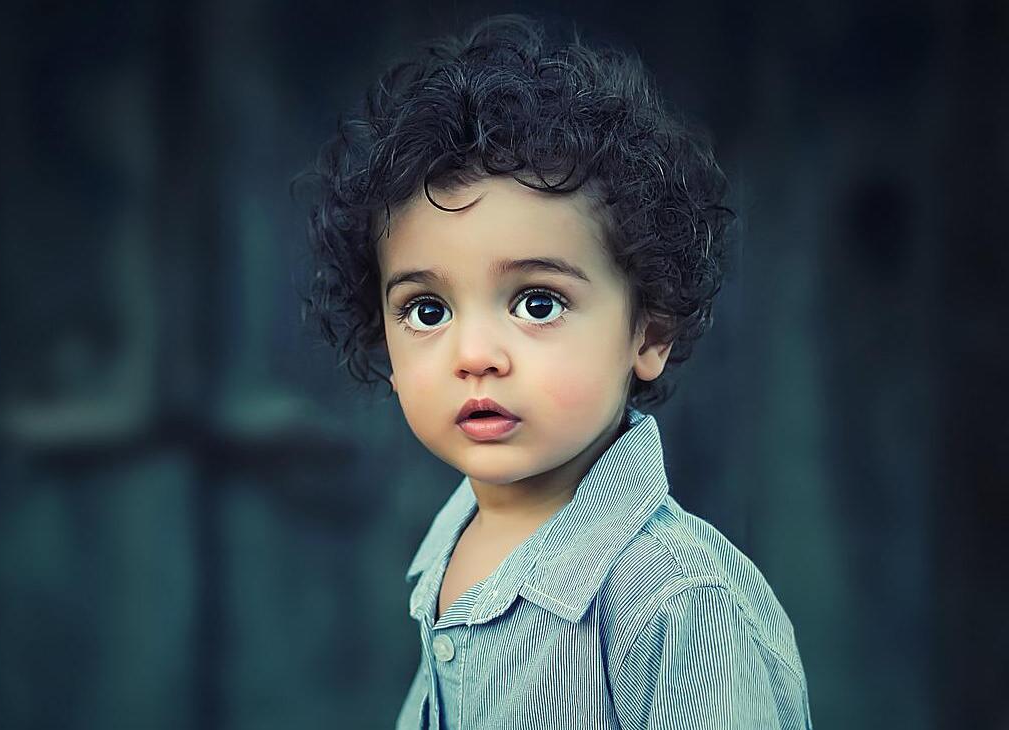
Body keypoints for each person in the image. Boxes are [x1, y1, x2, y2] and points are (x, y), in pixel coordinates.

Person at [296, 13, 812, 729]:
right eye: (427, 310)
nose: (474, 355)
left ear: (649, 332)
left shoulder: (679, 600)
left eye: (538, 303)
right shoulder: (451, 553)